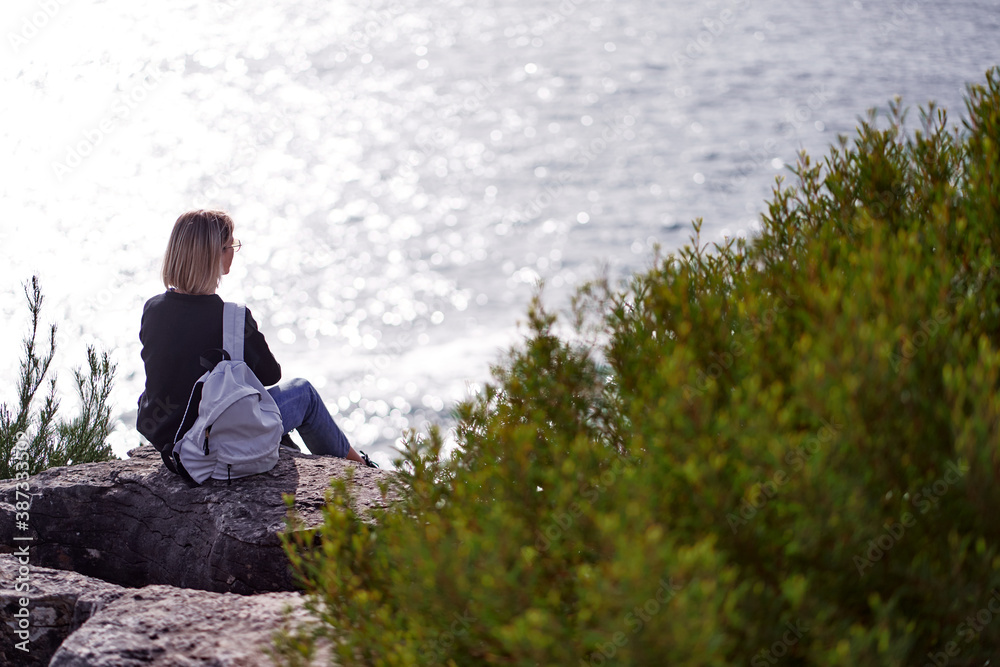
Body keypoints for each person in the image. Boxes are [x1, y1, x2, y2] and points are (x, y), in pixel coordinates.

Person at [136, 209, 377, 470]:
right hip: (215, 441)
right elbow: (270, 375)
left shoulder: (153, 309)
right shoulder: (231, 318)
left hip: (169, 436)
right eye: (232, 246)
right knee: (303, 393)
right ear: (216, 255)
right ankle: (360, 469)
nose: (233, 252)